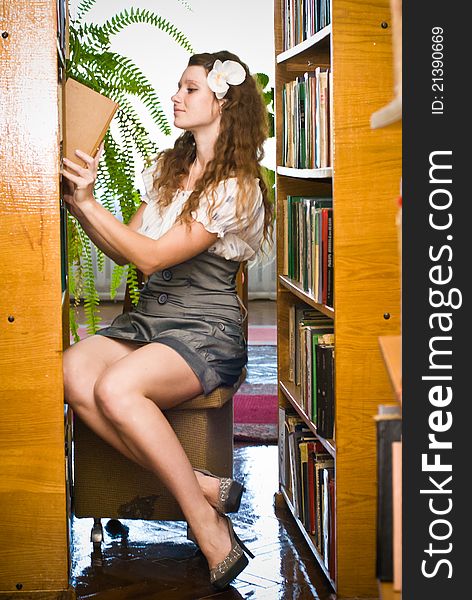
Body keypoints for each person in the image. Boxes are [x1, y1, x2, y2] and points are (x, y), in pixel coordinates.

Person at [61, 50, 273, 589]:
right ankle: (201, 486)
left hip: (205, 331)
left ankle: (209, 527)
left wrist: (89, 203)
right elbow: (122, 252)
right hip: (151, 323)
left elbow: (152, 258)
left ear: (223, 103)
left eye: (190, 88)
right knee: (67, 372)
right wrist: (79, 203)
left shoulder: (238, 187)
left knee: (116, 388)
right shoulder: (167, 167)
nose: (176, 96)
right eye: (178, 85)